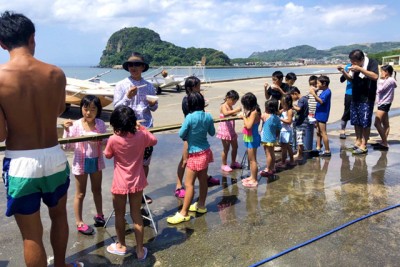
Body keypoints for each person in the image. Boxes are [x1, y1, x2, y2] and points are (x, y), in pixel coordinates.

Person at [0, 11, 83, 267]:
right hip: (54, 157)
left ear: (2, 44)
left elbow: (1, 134)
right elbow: (59, 109)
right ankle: (60, 264)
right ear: (32, 38)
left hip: (21, 162)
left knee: (31, 235)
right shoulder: (55, 73)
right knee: (59, 217)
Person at [103, 105, 157, 260]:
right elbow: (154, 140)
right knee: (136, 215)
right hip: (137, 180)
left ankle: (120, 245)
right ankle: (140, 250)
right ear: (133, 122)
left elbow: (107, 155)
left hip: (120, 182)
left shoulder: (113, 139)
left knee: (119, 215)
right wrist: (143, 128)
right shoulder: (141, 135)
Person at [113, 52, 158, 202]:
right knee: (128, 164)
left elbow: (154, 108)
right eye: (131, 65)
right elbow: (116, 109)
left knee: (145, 163)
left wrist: (153, 104)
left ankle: (140, 192)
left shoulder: (150, 86)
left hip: (146, 130)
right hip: (127, 132)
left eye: (137, 64)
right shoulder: (121, 85)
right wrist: (128, 97)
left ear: (143, 67)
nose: (134, 67)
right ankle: (125, 190)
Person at [167, 92, 215, 224]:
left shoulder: (189, 117)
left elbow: (182, 134)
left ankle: (184, 213)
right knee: (203, 180)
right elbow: (212, 132)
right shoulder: (208, 116)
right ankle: (201, 205)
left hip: (194, 155)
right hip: (206, 152)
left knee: (189, 184)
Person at [63, 95, 107, 234]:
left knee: (97, 190)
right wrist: (67, 130)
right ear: (81, 108)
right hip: (80, 163)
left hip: (96, 161)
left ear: (98, 110)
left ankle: (99, 215)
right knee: (80, 194)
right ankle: (79, 222)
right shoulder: (75, 125)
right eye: (86, 108)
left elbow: (105, 142)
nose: (88, 112)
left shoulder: (100, 124)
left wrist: (99, 139)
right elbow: (67, 147)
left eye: (93, 109)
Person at [175, 76, 219, 198]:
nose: (200, 87)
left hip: (196, 135)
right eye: (198, 86)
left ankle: (205, 177)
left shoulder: (198, 98)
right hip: (189, 136)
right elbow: (188, 118)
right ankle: (179, 185)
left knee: (199, 160)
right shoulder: (186, 100)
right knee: (185, 160)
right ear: (191, 87)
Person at [340, 49, 379, 155]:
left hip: (367, 98)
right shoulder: (354, 66)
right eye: (351, 61)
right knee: (356, 121)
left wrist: (360, 69)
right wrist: (343, 71)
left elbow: (375, 76)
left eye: (354, 61)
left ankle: (364, 145)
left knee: (365, 122)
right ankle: (357, 142)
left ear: (361, 59)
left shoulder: (371, 63)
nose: (352, 63)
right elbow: (351, 79)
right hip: (355, 96)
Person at [216, 90, 242, 172]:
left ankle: (233, 162)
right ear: (228, 98)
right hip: (224, 130)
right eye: (233, 101)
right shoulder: (224, 105)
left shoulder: (230, 106)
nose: (234, 103)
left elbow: (232, 114)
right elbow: (226, 113)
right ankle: (224, 164)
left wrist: (238, 115)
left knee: (235, 147)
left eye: (235, 101)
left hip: (231, 130)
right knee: (226, 148)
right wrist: (236, 110)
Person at [372, 65, 397, 150]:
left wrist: (380, 81)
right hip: (384, 103)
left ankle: (385, 143)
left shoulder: (389, 80)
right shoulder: (389, 80)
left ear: (386, 72)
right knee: (385, 124)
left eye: (382, 71)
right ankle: (383, 142)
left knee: (376, 123)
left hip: (384, 104)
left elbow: (380, 90)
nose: (380, 73)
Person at [240, 93, 262, 188]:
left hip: (253, 138)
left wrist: (243, 117)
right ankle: (252, 176)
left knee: (253, 160)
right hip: (250, 137)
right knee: (251, 159)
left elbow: (248, 126)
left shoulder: (254, 112)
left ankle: (254, 180)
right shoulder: (254, 110)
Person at [309, 75, 332, 157]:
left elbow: (321, 102)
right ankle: (318, 147)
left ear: (324, 84)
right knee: (318, 132)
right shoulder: (323, 91)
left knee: (323, 133)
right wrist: (315, 92)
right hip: (318, 113)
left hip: (322, 115)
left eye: (318, 83)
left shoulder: (327, 92)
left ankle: (327, 150)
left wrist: (313, 94)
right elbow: (317, 99)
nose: (317, 85)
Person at [259, 99, 282, 178]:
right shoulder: (276, 117)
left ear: (267, 108)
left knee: (268, 154)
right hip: (272, 138)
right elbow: (279, 128)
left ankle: (268, 169)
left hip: (266, 138)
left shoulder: (265, 115)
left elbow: (258, 115)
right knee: (272, 153)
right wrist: (276, 136)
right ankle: (273, 167)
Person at [290, 87, 309, 161]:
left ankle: (300, 155)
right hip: (303, 121)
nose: (293, 99)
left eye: (292, 97)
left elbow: (299, 109)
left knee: (299, 139)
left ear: (295, 93)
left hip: (301, 121)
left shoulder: (301, 100)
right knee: (300, 138)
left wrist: (291, 106)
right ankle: (299, 152)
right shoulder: (304, 99)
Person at [276, 95, 295, 169]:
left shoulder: (289, 110)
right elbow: (277, 112)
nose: (282, 105)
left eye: (284, 104)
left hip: (286, 131)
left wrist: (280, 119)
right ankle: (292, 160)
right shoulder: (284, 109)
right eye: (282, 104)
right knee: (288, 146)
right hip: (283, 130)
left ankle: (283, 162)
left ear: (288, 103)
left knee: (284, 148)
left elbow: (289, 121)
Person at [337, 63, 353, 139]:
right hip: (349, 92)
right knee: (347, 111)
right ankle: (342, 130)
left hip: (361, 93)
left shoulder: (363, 66)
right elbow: (342, 79)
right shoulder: (348, 66)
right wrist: (345, 71)